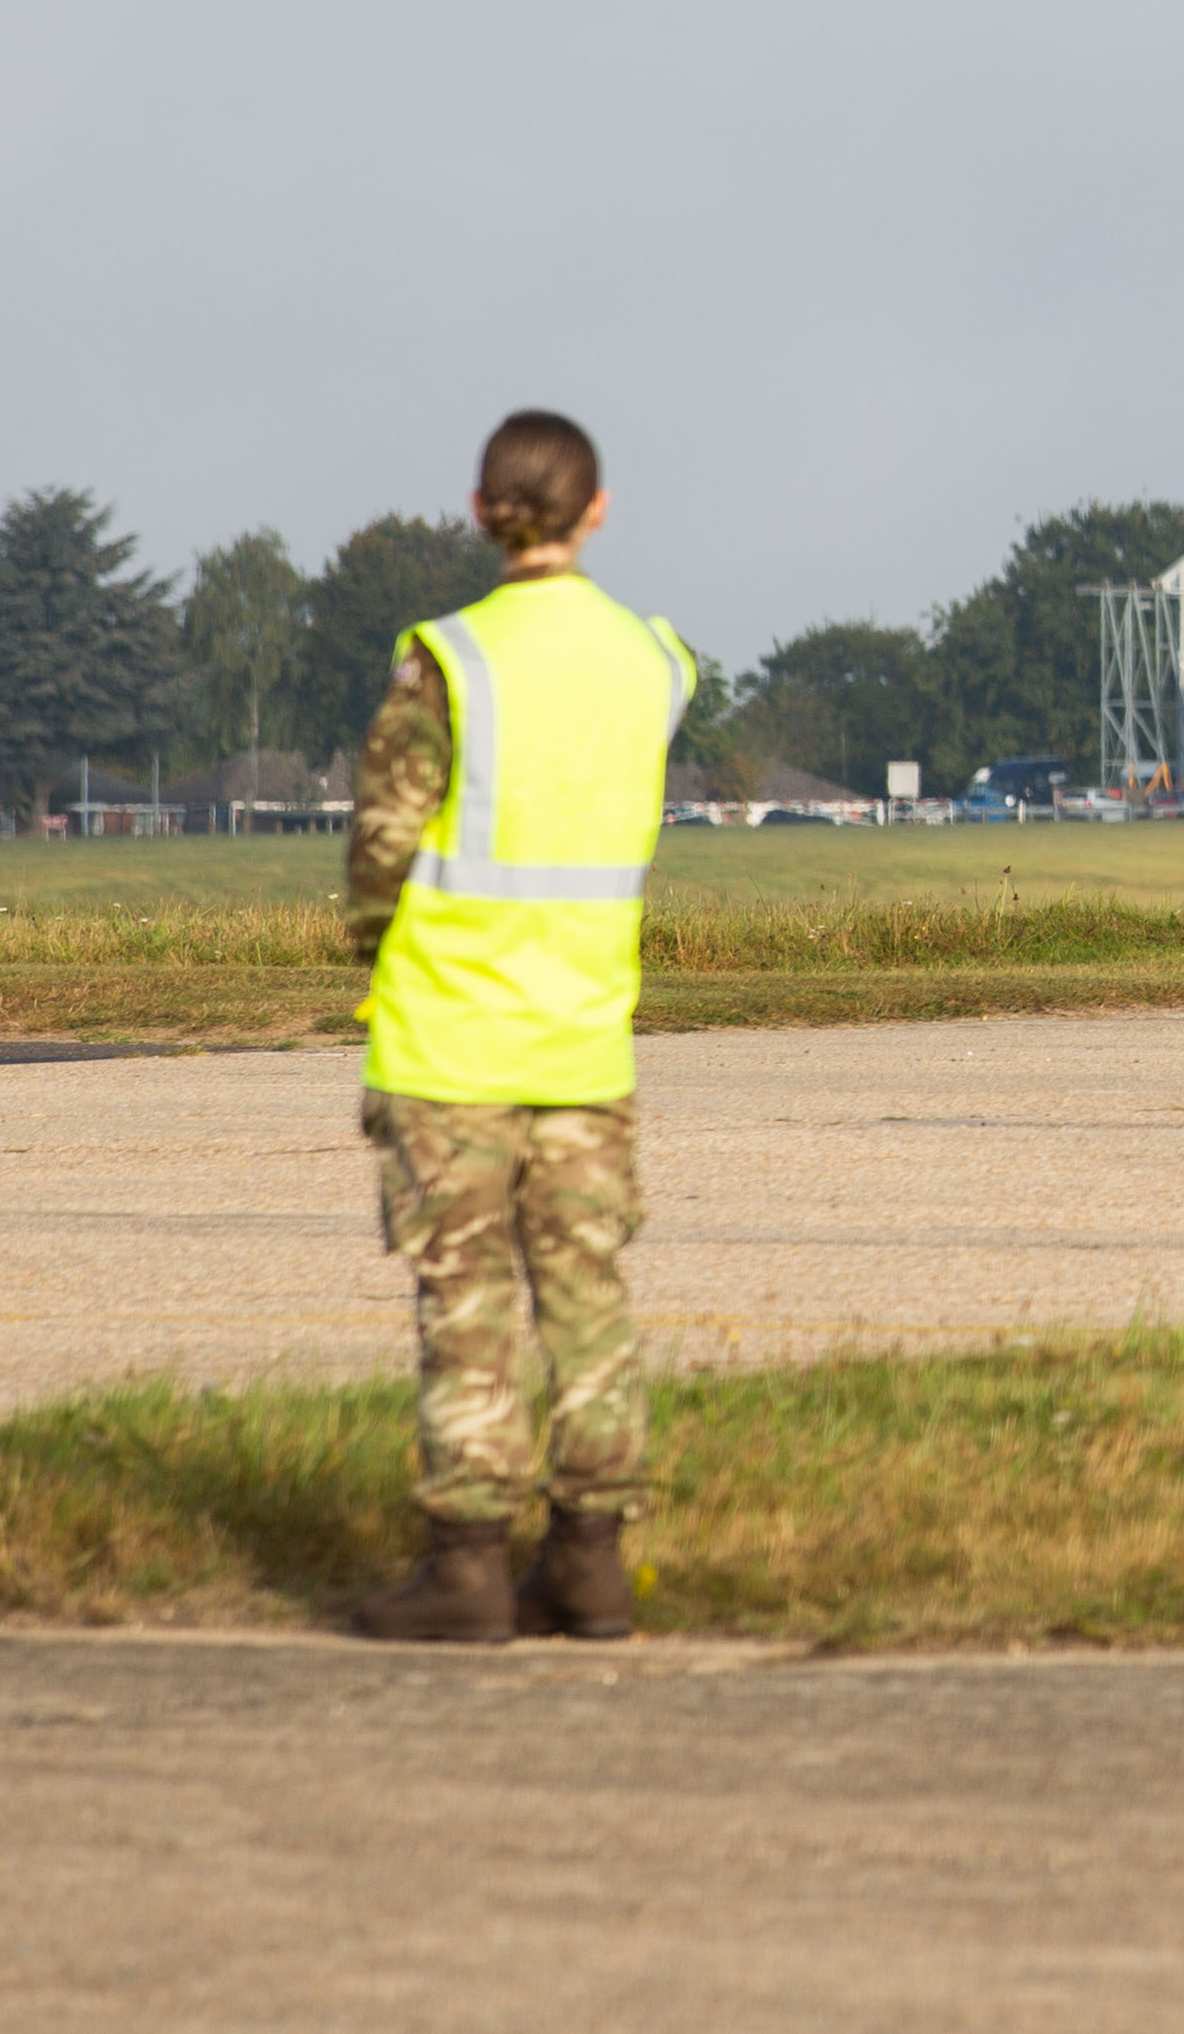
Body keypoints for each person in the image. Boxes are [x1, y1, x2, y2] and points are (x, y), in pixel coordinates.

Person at [339, 409, 700, 1644]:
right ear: (595, 510)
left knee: (471, 1305)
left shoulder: (447, 658)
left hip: (451, 1038)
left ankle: (468, 1563)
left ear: (483, 510)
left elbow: (382, 849)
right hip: (588, 1037)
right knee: (588, 1296)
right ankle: (594, 1558)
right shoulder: (653, 662)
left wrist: (374, 951)